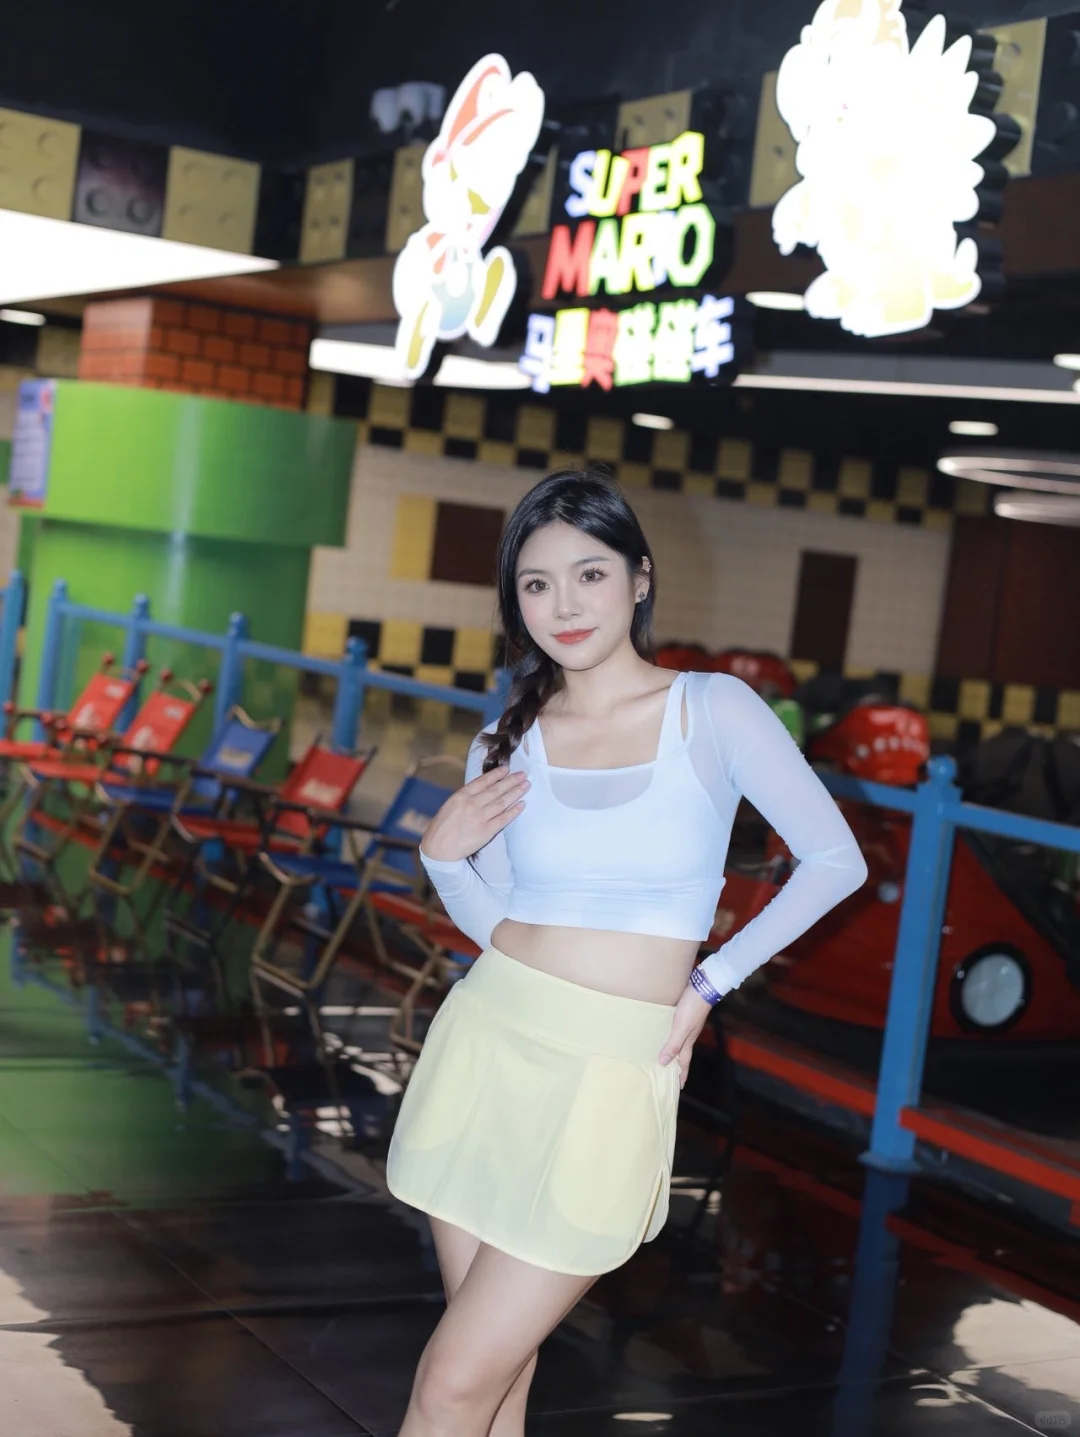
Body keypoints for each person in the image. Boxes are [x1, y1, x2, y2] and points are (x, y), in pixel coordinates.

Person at [385, 468, 868, 1435]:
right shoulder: (506, 739)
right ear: (515, 601)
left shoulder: (713, 710)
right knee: (495, 1381)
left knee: (450, 1384)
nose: (564, 605)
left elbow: (834, 861)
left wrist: (708, 983)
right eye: (536, 583)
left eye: (590, 574)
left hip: (607, 1076)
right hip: (486, 1047)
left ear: (640, 579)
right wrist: (441, 861)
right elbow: (506, 929)